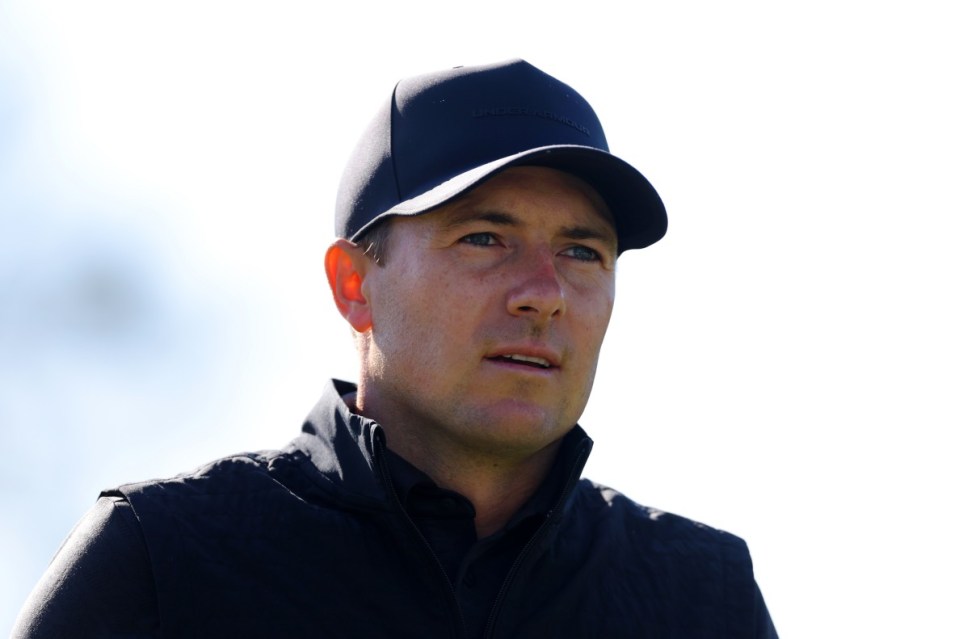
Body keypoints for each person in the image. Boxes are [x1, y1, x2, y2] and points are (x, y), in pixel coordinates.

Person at [13, 59, 777, 638]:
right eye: (484, 238)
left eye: (582, 252)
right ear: (353, 284)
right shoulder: (163, 562)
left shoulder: (699, 597)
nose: (542, 291)